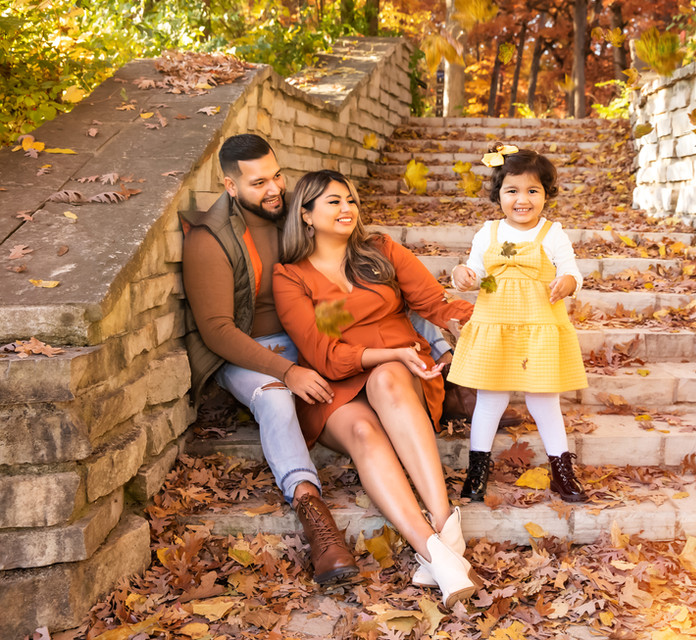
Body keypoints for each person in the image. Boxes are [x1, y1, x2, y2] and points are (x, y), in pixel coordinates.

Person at [180, 135, 453, 585]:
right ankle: (313, 512)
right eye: (258, 182)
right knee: (276, 400)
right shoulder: (212, 240)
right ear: (230, 186)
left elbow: (360, 290)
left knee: (382, 317)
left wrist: (434, 333)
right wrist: (290, 371)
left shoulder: (293, 211)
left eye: (277, 175)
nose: (274, 189)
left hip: (314, 333)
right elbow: (218, 332)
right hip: (255, 350)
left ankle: (444, 390)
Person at [273, 170, 479, 608]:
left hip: (401, 379)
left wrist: (475, 316)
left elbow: (433, 303)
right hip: (337, 386)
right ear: (305, 215)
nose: (347, 208)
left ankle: (442, 525)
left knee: (387, 377)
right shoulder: (292, 277)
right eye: (333, 202)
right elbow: (323, 352)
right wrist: (386, 354)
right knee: (365, 431)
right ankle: (438, 553)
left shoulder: (380, 253)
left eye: (351, 200)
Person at [447, 143, 589, 503]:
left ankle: (561, 470)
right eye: (512, 190)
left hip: (538, 327)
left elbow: (572, 270)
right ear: (499, 194)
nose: (521, 199)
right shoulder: (488, 233)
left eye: (532, 191)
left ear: (545, 195)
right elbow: (476, 270)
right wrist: (462, 274)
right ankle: (477, 469)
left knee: (544, 402)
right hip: (496, 326)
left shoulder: (551, 233)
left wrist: (569, 282)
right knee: (489, 401)